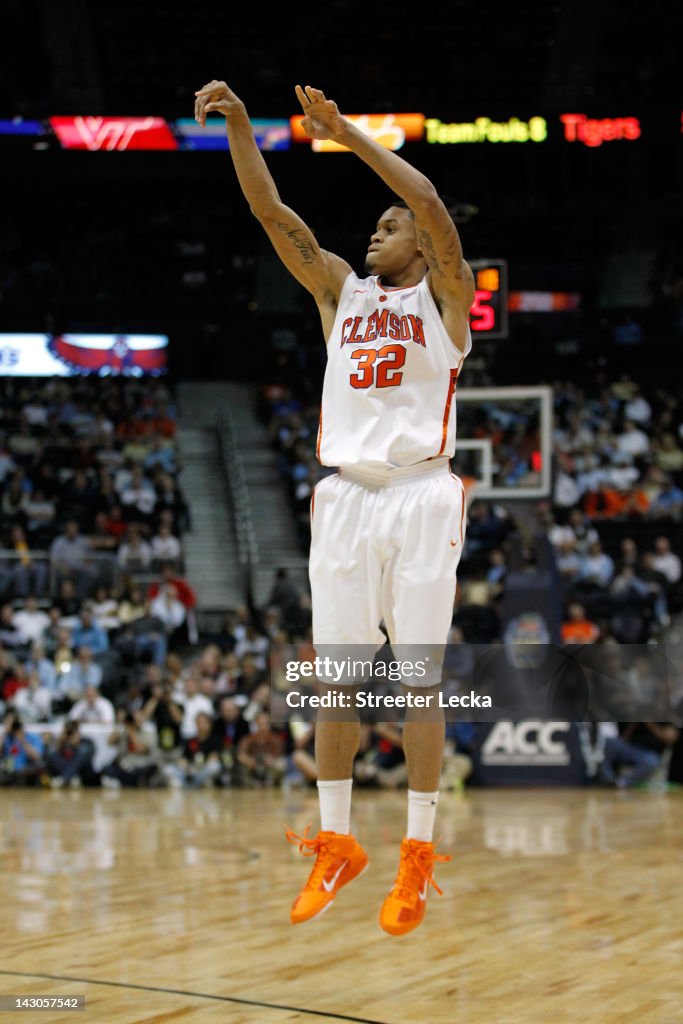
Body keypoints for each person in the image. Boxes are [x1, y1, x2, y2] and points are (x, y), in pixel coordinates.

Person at [195, 79, 473, 934]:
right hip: (346, 497)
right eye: (375, 226)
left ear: (421, 249)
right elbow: (271, 212)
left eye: (388, 229)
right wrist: (244, 128)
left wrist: (344, 133)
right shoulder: (338, 294)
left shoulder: (447, 297)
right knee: (335, 686)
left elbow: (422, 197)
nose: (374, 231)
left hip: (422, 492)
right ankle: (336, 843)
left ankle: (416, 860)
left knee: (419, 685)